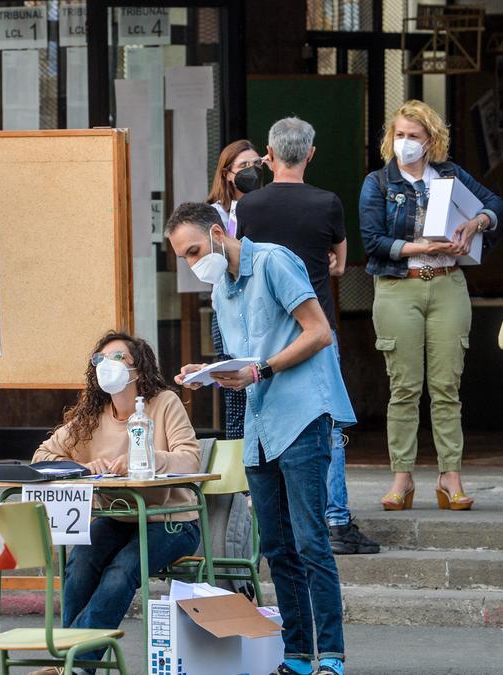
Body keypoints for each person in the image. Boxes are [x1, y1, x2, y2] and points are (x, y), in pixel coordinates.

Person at [167, 202, 356, 675]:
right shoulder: (222, 289)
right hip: (260, 423)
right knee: (275, 544)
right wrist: (208, 371)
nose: (193, 262)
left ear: (216, 232)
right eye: (183, 257)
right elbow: (244, 359)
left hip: (302, 412)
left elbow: (320, 332)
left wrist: (261, 368)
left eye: (194, 250)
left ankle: (330, 653)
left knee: (311, 539)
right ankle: (296, 655)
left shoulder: (272, 261)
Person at [237, 116, 379, 555]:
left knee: (262, 419)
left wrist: (256, 173)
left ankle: (273, 515)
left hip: (264, 332)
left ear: (270, 153)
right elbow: (338, 260)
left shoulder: (249, 206)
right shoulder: (327, 203)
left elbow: (240, 260)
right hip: (316, 329)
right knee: (327, 425)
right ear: (312, 154)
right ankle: (334, 518)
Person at [358, 99, 503, 512]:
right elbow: (372, 240)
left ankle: (450, 475)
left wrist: (476, 223)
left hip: (447, 284)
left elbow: (496, 205)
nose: (405, 143)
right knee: (404, 386)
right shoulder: (379, 183)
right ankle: (401, 477)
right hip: (398, 286)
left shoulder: (450, 175)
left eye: (414, 136)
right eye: (400, 135)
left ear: (431, 140)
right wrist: (422, 246)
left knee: (447, 386)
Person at [30, 332, 200, 675]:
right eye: (100, 360)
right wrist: (81, 467)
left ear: (139, 369)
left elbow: (190, 459)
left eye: (118, 358)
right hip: (117, 518)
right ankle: (78, 666)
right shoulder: (91, 416)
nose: (107, 366)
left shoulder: (164, 403)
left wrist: (146, 458)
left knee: (122, 570)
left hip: (170, 520)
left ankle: (71, 664)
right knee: (80, 561)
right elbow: (42, 455)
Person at [206, 140, 260, 440]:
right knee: (235, 391)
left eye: (257, 165)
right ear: (227, 174)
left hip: (260, 309)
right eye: (243, 167)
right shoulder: (214, 214)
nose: (251, 173)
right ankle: (239, 476)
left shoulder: (268, 205)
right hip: (226, 308)